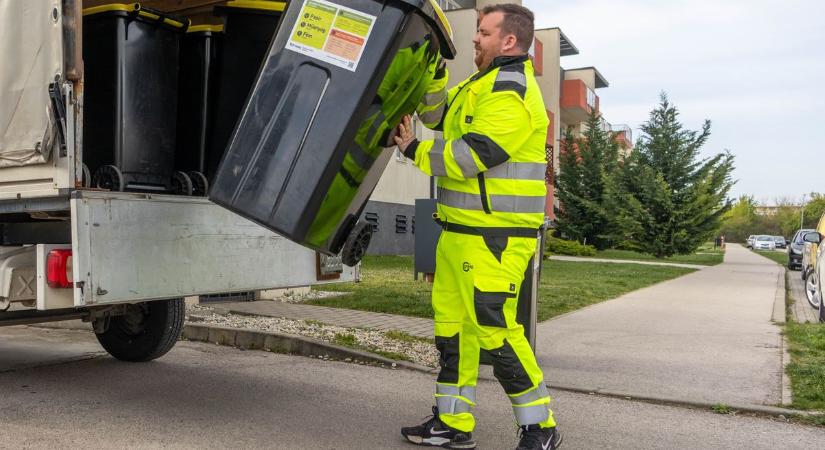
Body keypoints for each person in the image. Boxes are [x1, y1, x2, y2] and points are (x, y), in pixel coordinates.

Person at [393, 4, 561, 450]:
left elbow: (471, 157)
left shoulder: (511, 91)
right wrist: (433, 72)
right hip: (458, 234)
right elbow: (437, 116)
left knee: (494, 331)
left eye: (484, 33)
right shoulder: (479, 84)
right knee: (454, 331)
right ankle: (452, 422)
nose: (475, 38)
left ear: (509, 40)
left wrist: (413, 151)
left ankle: (540, 428)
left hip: (495, 239)